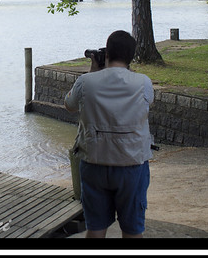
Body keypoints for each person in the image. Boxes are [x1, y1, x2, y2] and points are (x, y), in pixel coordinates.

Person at [64, 30, 154, 238]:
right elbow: (148, 103)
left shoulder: (87, 82)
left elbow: (69, 105)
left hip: (94, 163)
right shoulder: (143, 83)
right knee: (132, 230)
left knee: (95, 228)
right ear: (131, 57)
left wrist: (94, 71)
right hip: (132, 164)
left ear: (106, 54)